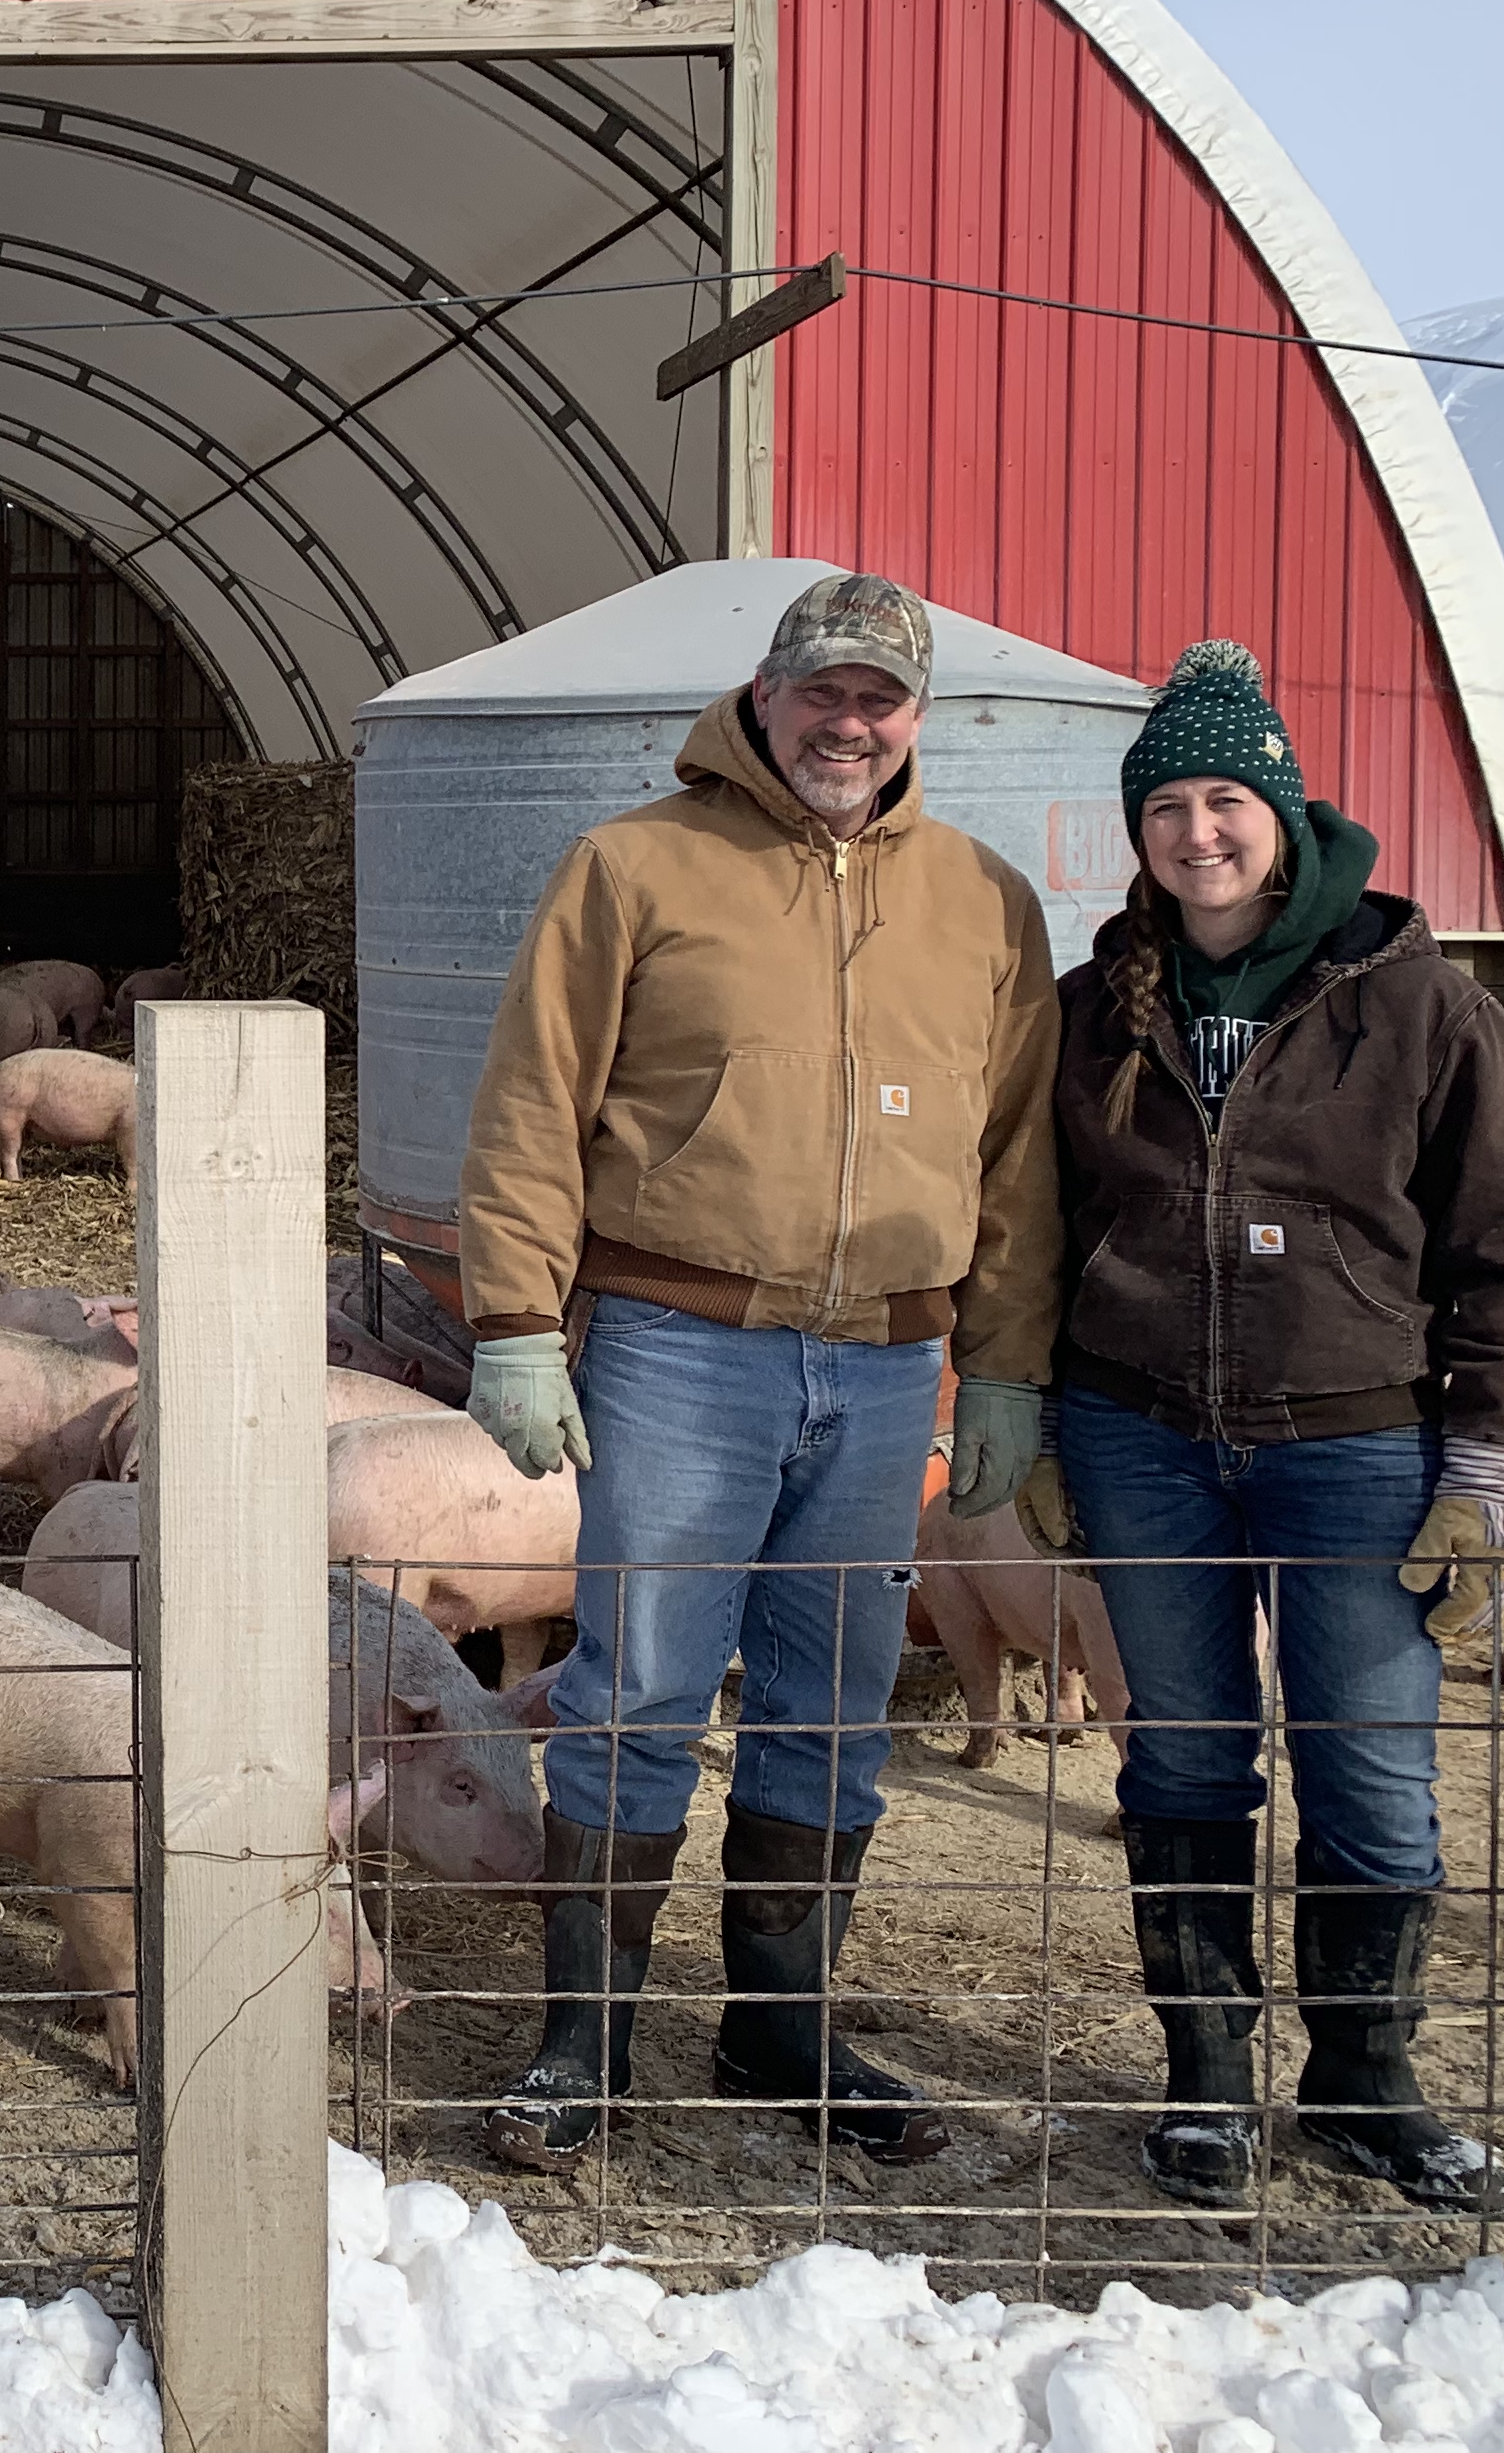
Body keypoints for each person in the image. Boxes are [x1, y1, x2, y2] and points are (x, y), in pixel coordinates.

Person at [456, 570, 1063, 2171]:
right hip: (681, 1347)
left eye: (882, 699)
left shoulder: (986, 901)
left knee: (838, 1708)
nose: (849, 724)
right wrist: (516, 1319)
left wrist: (1002, 1369)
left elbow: (1019, 1164)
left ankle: (778, 2028)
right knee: (637, 1690)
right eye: (825, 692)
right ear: (769, 695)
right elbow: (533, 1101)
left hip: (884, 1370)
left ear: (917, 718)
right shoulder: (636, 866)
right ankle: (579, 2040)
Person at [1028, 639, 1504, 2215]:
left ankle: (1362, 2083)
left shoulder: (1420, 1006)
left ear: (1285, 809)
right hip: (1139, 1438)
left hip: (1355, 1446)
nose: (1200, 833)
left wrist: (1488, 1474)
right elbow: (1034, 1230)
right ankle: (1205, 2083)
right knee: (1182, 1755)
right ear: (1137, 829)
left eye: (1228, 801)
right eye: (1169, 806)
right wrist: (1044, 1420)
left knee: (1371, 1766)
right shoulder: (1093, 1008)